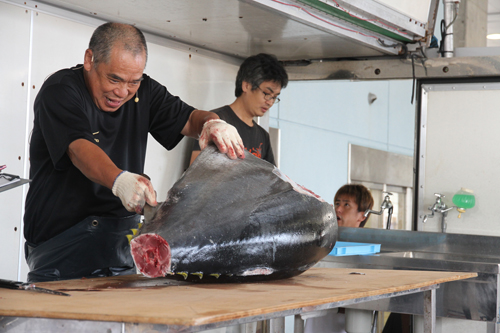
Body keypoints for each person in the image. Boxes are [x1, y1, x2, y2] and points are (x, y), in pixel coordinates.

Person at [23, 22, 245, 283]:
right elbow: (79, 149)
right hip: (61, 247)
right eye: (114, 79)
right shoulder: (61, 91)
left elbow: (188, 118)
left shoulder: (145, 92)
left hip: (120, 247)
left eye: (133, 82)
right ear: (89, 59)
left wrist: (211, 123)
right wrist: (120, 180)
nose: (122, 92)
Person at [190, 53, 288, 166]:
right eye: (267, 93)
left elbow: (269, 179)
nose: (270, 102)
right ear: (246, 85)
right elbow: (195, 176)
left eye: (274, 97)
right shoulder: (215, 122)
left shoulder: (263, 136)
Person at [304, 184, 374, 333]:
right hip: (317, 321)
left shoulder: (366, 250)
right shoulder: (322, 241)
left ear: (363, 215)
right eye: (337, 203)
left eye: (346, 204)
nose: (338, 209)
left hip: (349, 322)